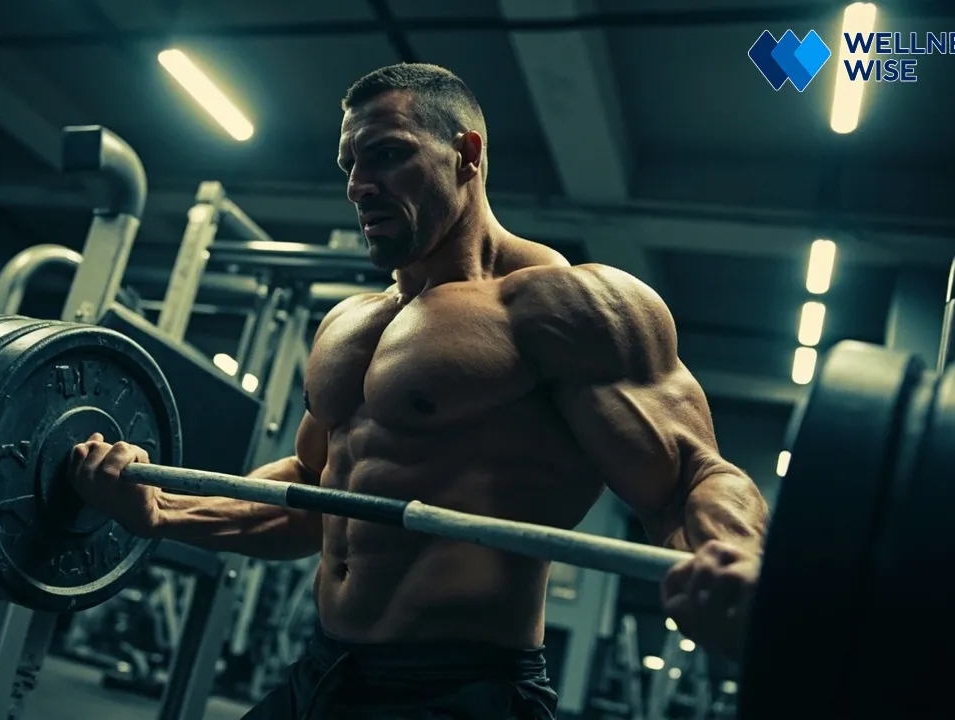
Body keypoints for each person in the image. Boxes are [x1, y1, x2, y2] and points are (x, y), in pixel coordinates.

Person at [70, 63, 769, 719]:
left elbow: (689, 479)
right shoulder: (350, 322)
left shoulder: (564, 307)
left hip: (461, 690)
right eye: (349, 166)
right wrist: (160, 509)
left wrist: (736, 559)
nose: (358, 185)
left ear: (466, 153)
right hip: (324, 671)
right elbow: (310, 495)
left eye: (386, 155)